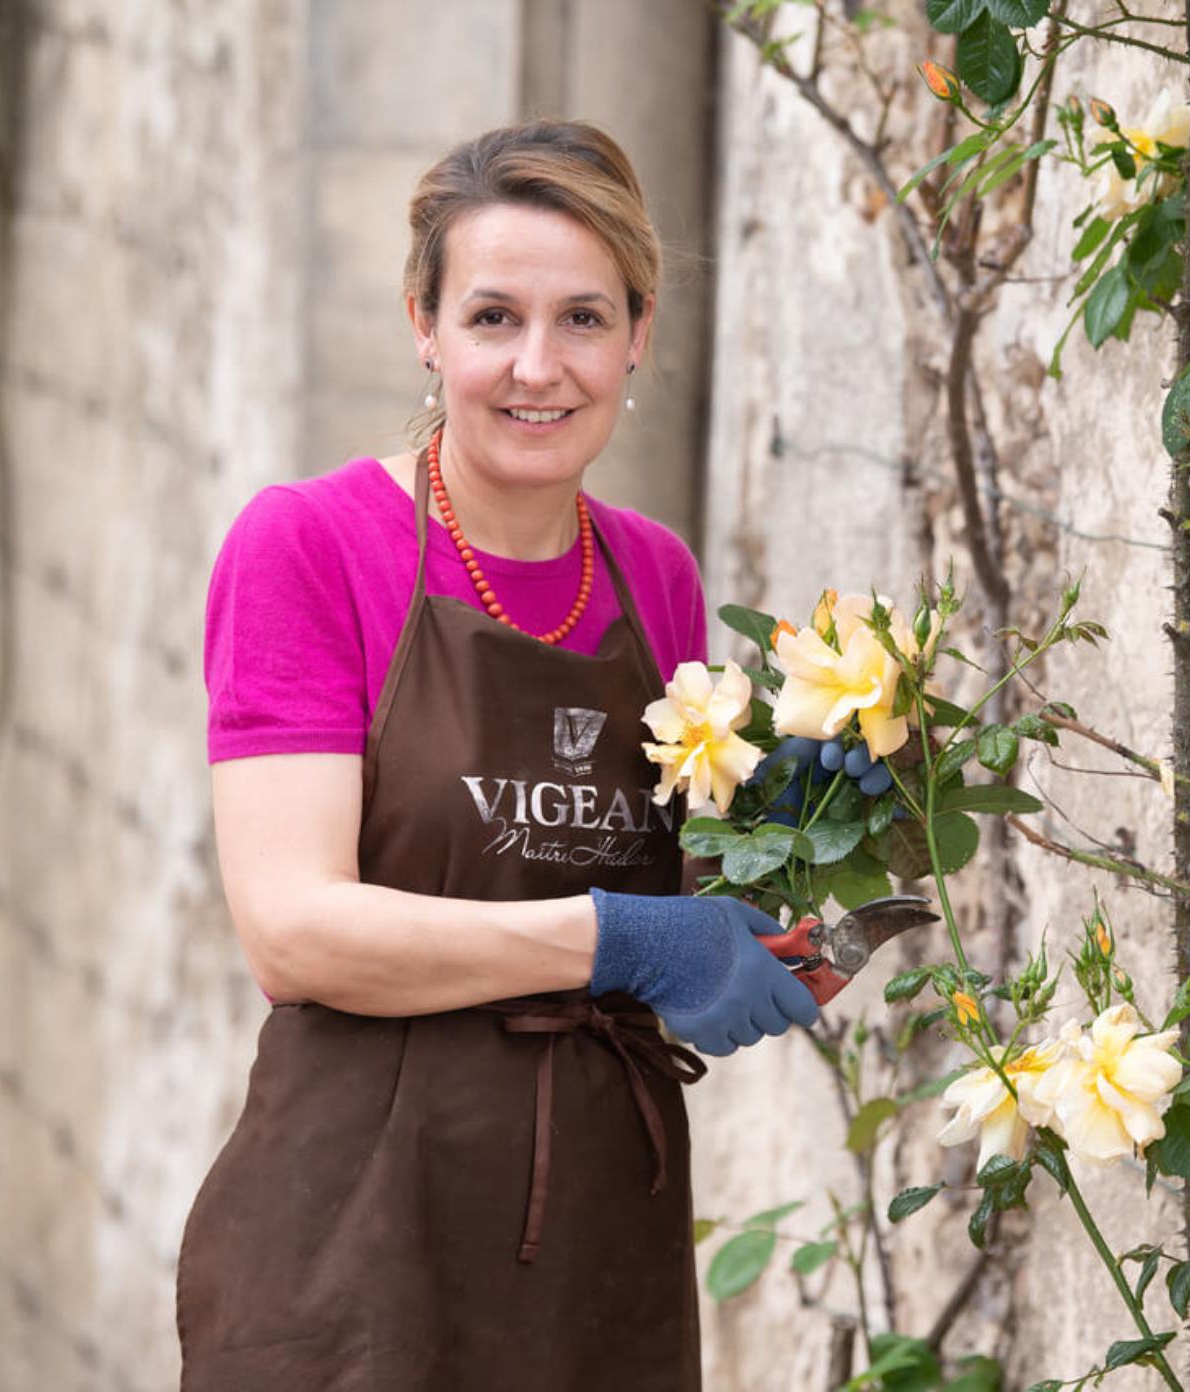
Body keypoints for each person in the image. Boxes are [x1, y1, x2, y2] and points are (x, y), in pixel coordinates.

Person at [175, 119, 817, 1390]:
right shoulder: (307, 545)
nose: (539, 366)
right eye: (490, 318)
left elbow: (677, 894)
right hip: (355, 1242)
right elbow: (293, 930)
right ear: (424, 325)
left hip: (599, 1234)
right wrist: (623, 940)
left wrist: (776, 914)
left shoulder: (654, 579)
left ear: (640, 332)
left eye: (583, 318)